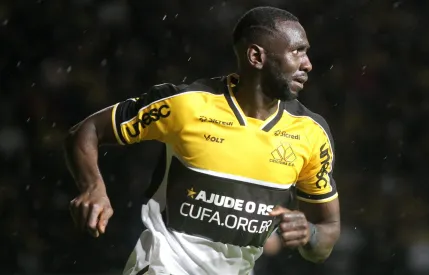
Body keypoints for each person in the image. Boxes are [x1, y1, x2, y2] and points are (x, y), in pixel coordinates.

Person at [64, 6, 341, 275]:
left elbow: (327, 233)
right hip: (164, 266)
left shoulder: (311, 133)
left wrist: (310, 234)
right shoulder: (185, 105)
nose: (308, 64)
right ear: (256, 56)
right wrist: (93, 188)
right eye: (297, 51)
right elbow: (86, 131)